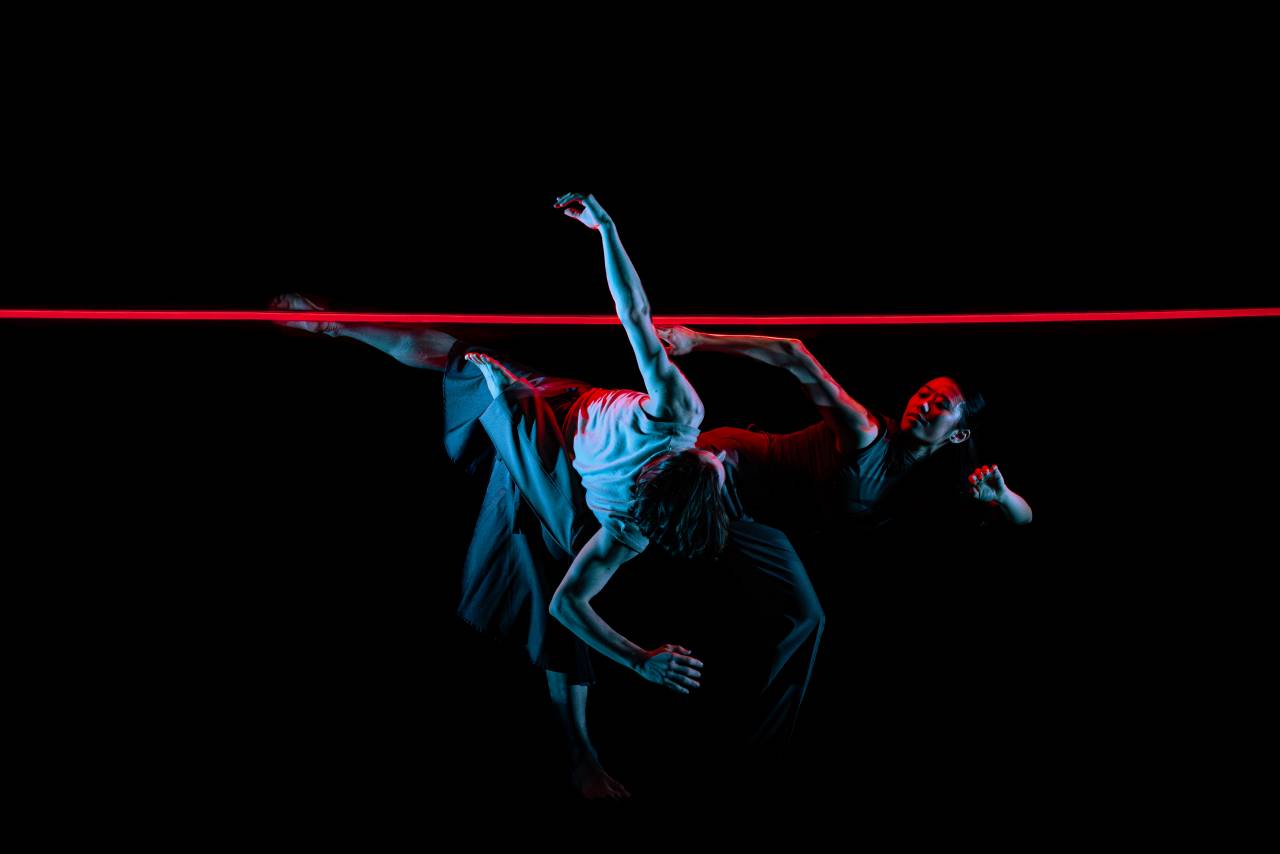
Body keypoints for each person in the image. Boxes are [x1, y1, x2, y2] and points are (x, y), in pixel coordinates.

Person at [272, 193, 742, 798]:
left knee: (472, 368)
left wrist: (606, 228)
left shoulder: (677, 418)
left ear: (681, 459)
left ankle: (579, 753)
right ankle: (579, 754)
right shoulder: (631, 531)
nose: (725, 454)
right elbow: (574, 604)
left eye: (719, 463)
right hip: (553, 425)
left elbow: (635, 312)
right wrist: (641, 660)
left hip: (545, 448)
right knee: (469, 370)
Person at [656, 326, 1034, 533]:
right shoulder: (866, 432)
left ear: (959, 434)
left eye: (940, 405)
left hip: (752, 511)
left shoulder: (927, 481)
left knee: (805, 615)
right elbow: (795, 355)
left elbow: (1024, 518)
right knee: (634, 519)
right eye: (923, 394)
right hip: (729, 465)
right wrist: (697, 341)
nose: (923, 405)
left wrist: (1002, 496)